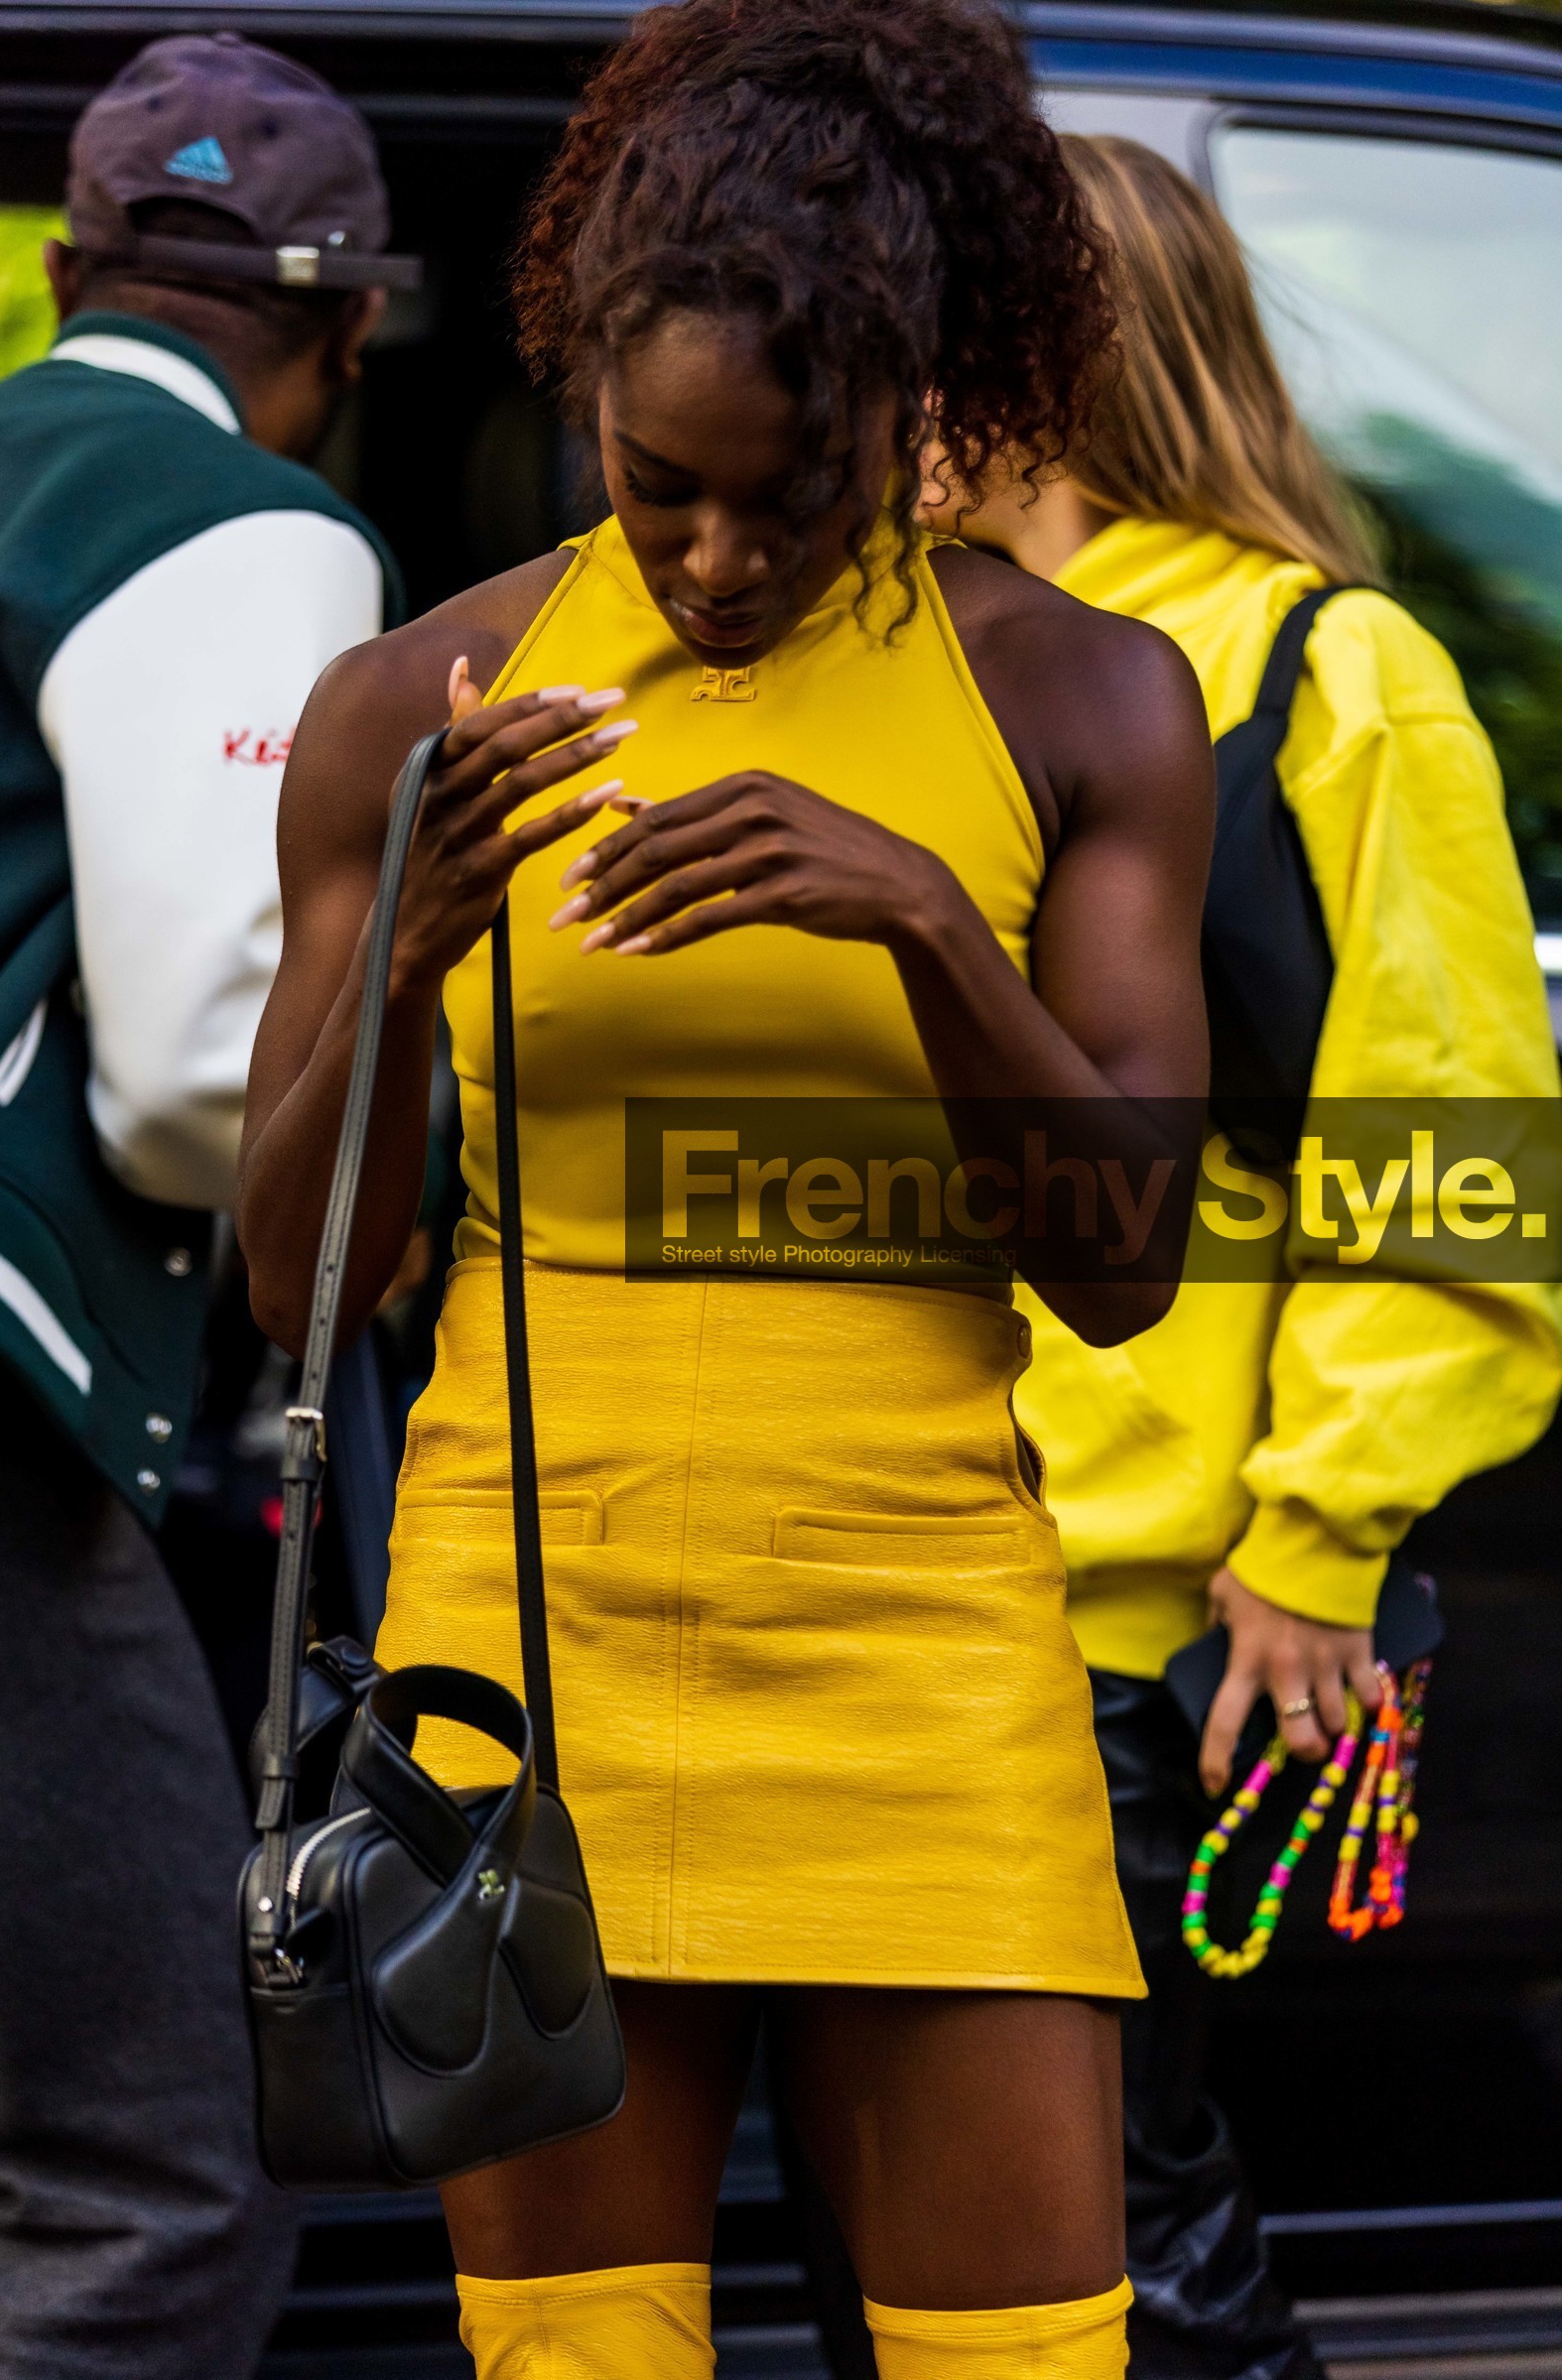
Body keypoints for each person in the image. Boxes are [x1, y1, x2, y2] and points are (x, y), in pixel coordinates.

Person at [237, 4, 1221, 2373]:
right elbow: (300, 1286)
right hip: (534, 1670)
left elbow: (1118, 1266)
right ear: (580, 386)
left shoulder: (1081, 703)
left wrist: (906, 916)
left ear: (918, 394)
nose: (711, 552)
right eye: (653, 476)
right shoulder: (424, 707)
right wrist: (409, 965)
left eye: (787, 491)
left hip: (921, 1660)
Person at [924, 134, 1562, 2380]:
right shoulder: (882, 655)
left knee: (1098, 2238)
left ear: (1034, 352)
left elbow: (1453, 1152)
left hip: (1143, 1606)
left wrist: (1310, 1540)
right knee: (928, 2249)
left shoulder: (1323, 671)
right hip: (889, 1578)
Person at [0, 34, 415, 2375]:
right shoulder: (232, 521)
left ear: (63, 265)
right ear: (348, 338)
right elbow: (188, 1078)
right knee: (149, 2169)